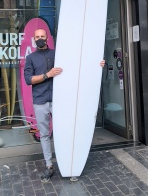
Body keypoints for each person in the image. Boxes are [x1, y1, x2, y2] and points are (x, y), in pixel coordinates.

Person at [24, 28, 105, 183]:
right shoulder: (31, 58)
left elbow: (76, 65)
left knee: (66, 132)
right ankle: (49, 166)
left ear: (47, 38)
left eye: (42, 36)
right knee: (45, 135)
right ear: (34, 39)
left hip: (60, 100)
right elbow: (28, 79)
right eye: (37, 37)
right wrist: (48, 74)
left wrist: (97, 64)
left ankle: (70, 165)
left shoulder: (58, 54)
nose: (40, 39)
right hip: (40, 101)